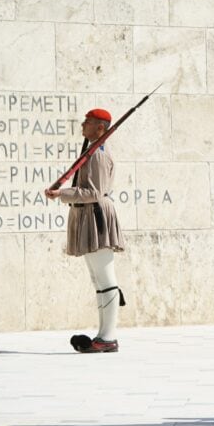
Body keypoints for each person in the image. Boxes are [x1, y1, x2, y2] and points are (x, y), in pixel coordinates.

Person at [45, 108, 125, 353]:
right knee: (98, 280)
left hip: (96, 217)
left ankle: (108, 337)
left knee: (105, 279)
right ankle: (102, 336)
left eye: (88, 122)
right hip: (87, 217)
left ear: (100, 128)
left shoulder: (99, 155)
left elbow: (94, 193)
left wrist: (63, 193)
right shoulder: (92, 151)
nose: (82, 125)